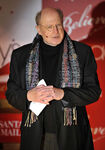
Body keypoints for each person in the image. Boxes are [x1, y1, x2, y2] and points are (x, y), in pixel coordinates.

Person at [6, 7, 101, 150]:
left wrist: (63, 94)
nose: (56, 31)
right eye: (49, 27)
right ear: (39, 29)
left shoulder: (82, 52)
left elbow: (93, 92)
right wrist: (28, 95)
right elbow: (11, 94)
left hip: (72, 136)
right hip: (36, 138)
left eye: (58, 25)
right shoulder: (21, 55)